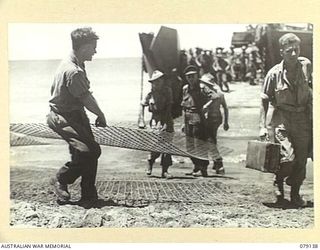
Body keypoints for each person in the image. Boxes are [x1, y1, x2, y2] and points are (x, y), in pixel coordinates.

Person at [46, 27, 107, 208]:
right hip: (63, 117)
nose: (95, 51)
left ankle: (88, 194)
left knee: (88, 152)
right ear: (84, 47)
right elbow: (86, 98)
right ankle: (61, 178)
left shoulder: (75, 63)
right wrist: (100, 114)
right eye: (93, 47)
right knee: (90, 151)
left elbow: (82, 97)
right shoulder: (73, 71)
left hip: (75, 114)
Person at [259, 33, 312, 207]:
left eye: (296, 50)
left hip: (303, 119)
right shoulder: (273, 74)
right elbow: (265, 100)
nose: (294, 54)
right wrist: (263, 127)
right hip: (282, 120)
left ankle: (295, 194)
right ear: (282, 52)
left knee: (302, 160)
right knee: (288, 159)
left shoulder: (306, 67)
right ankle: (279, 182)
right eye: (289, 51)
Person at [181, 65, 215, 177]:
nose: (191, 78)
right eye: (188, 76)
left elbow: (215, 97)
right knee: (189, 146)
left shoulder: (202, 87)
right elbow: (183, 107)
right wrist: (182, 122)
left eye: (193, 76)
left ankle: (203, 168)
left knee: (199, 144)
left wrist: (206, 106)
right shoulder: (185, 89)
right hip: (187, 116)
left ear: (197, 76)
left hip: (197, 116)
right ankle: (196, 166)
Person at [141, 70, 174, 179]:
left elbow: (169, 108)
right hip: (155, 120)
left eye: (159, 81)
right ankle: (150, 162)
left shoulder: (168, 91)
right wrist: (142, 120)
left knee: (167, 145)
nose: (157, 83)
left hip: (166, 118)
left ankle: (165, 170)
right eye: (155, 82)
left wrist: (165, 123)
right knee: (155, 144)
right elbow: (142, 105)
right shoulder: (150, 94)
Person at [199, 74, 229, 174]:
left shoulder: (209, 94)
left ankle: (219, 164)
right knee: (212, 140)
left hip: (210, 119)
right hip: (217, 119)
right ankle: (217, 165)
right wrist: (225, 122)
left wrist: (226, 122)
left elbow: (224, 107)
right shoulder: (219, 93)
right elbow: (225, 108)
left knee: (210, 141)